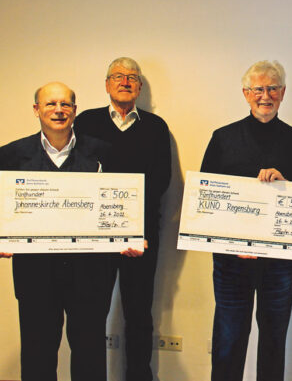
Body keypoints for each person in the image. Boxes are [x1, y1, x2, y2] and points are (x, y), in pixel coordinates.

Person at [201, 60, 292, 381]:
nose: (265, 96)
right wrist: (234, 244)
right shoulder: (223, 138)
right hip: (231, 261)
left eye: (272, 89)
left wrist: (286, 184)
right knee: (228, 339)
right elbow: (205, 200)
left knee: (274, 340)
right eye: (258, 89)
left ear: (283, 93)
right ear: (245, 93)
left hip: (279, 262)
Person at [0, 82, 114, 381]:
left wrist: (129, 236)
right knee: (37, 354)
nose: (58, 110)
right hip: (35, 273)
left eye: (65, 104)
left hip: (89, 272)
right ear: (36, 109)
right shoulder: (10, 155)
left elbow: (123, 202)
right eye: (50, 104)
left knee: (90, 354)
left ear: (74, 110)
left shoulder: (104, 153)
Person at [73, 57, 172, 381]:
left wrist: (131, 226)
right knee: (90, 313)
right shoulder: (85, 123)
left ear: (139, 87)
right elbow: (76, 176)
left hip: (141, 236)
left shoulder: (156, 127)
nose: (125, 81)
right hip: (94, 237)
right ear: (107, 84)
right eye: (118, 76)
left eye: (132, 77)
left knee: (139, 314)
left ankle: (138, 376)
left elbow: (161, 181)